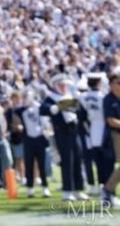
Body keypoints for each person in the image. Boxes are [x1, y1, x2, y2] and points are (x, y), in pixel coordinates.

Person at [42, 74, 89, 202]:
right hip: (62, 132)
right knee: (67, 161)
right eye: (61, 85)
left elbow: (81, 113)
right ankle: (67, 191)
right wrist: (55, 108)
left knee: (78, 159)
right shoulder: (51, 98)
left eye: (65, 85)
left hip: (74, 131)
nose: (63, 87)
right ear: (56, 86)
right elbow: (43, 109)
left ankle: (78, 190)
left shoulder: (70, 97)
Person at [20, 90, 51, 198]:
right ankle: (30, 188)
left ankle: (45, 187)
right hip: (28, 140)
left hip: (39, 138)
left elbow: (46, 116)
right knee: (29, 164)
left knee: (41, 164)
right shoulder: (22, 110)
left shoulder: (39, 107)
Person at [101, 70, 120, 207]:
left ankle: (108, 189)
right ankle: (107, 189)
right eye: (118, 82)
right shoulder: (108, 100)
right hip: (115, 134)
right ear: (112, 84)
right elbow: (111, 120)